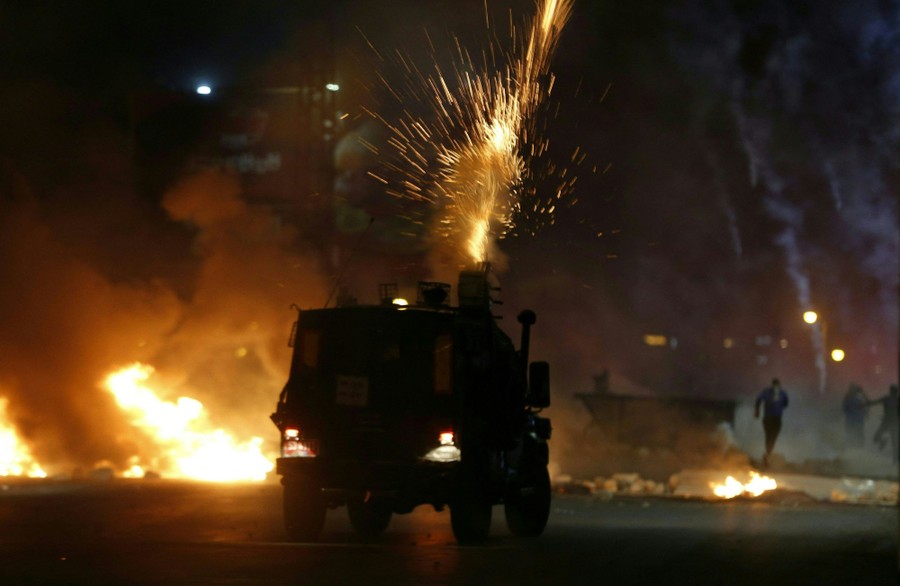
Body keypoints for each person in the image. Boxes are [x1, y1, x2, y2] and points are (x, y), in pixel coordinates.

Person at [754, 378, 789, 467]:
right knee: (769, 435)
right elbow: (759, 400)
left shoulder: (782, 393)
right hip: (769, 417)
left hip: (776, 418)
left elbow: (786, 403)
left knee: (773, 436)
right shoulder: (768, 392)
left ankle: (768, 453)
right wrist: (757, 411)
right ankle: (767, 454)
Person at [868, 384, 899, 464]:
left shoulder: (888, 399)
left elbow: (873, 402)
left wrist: (865, 404)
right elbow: (874, 402)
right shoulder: (888, 399)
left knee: (894, 443)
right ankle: (883, 442)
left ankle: (895, 461)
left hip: (892, 423)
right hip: (889, 422)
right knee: (893, 443)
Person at [841, 384, 869, 449]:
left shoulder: (849, 397)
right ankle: (858, 447)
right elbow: (866, 405)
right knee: (857, 433)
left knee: (852, 433)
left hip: (852, 419)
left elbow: (844, 408)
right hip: (856, 419)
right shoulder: (859, 398)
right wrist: (866, 413)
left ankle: (855, 447)